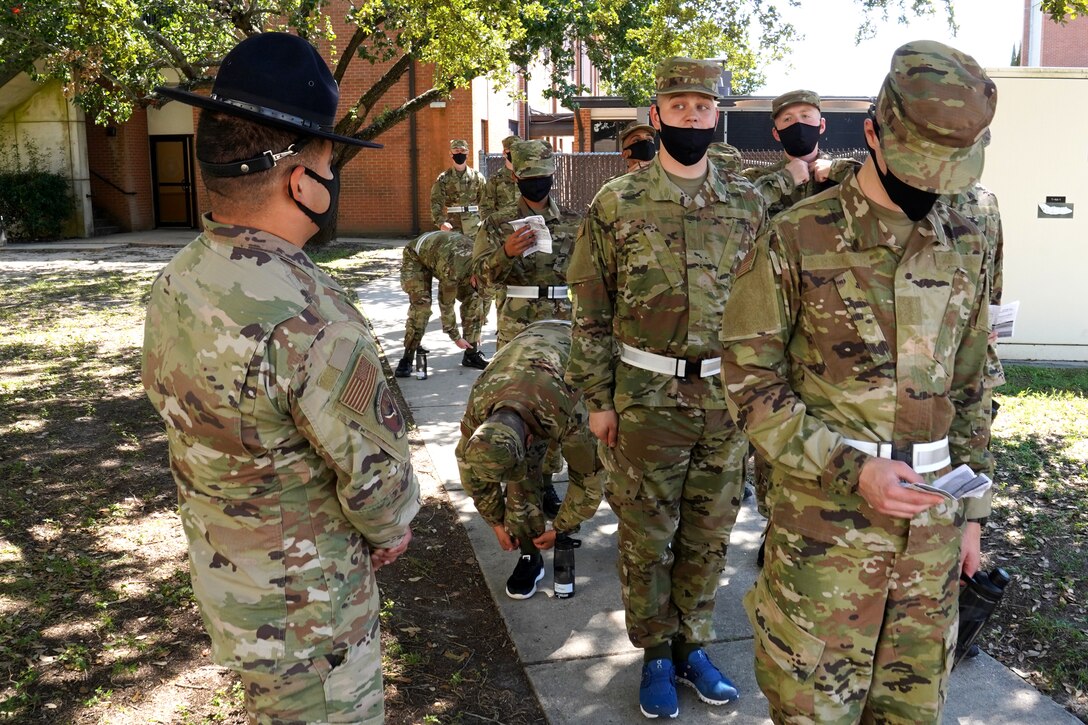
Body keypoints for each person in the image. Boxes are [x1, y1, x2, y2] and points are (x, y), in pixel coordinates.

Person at [142, 33, 419, 724]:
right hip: (313, 626)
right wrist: (391, 528)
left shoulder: (177, 281)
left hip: (234, 596)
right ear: (303, 180)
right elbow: (380, 492)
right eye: (330, 159)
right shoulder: (313, 318)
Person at [719, 40, 997, 724]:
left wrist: (974, 515)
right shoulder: (796, 236)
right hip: (825, 540)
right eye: (916, 163)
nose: (930, 184)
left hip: (933, 537)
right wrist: (854, 469)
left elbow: (973, 383)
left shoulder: (966, 239)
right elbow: (751, 386)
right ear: (871, 131)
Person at [565, 57, 765, 719]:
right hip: (645, 397)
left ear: (717, 117)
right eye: (677, 108)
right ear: (656, 116)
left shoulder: (745, 203)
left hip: (723, 401)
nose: (689, 119)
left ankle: (694, 645)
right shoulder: (616, 202)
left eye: (701, 109)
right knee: (649, 535)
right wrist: (597, 400)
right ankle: (654, 652)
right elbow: (589, 309)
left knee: (709, 534)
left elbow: (769, 309)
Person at [456, 320, 604, 599]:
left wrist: (562, 527)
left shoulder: (567, 412)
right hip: (529, 339)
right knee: (521, 480)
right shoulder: (479, 406)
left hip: (582, 343)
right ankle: (529, 555)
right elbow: (472, 473)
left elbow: (588, 478)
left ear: (527, 439)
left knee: (620, 454)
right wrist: (496, 523)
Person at [473, 138, 581, 519]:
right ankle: (522, 491)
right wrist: (506, 253)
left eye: (544, 175)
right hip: (518, 326)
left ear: (553, 175)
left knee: (560, 406)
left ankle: (547, 478)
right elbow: (479, 282)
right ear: (516, 175)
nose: (538, 182)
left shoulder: (572, 220)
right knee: (521, 410)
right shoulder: (498, 224)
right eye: (529, 176)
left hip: (563, 326)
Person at [741, 90, 860, 220]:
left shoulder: (846, 171)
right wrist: (784, 179)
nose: (797, 124)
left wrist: (836, 170)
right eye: (787, 119)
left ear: (822, 125)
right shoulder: (754, 179)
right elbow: (736, 214)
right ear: (776, 134)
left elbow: (875, 189)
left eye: (805, 116)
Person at [394, 230, 488, 377]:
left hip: (442, 253)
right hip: (417, 256)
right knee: (421, 307)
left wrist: (478, 328)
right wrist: (455, 336)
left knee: (475, 299)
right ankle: (407, 358)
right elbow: (446, 304)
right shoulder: (453, 271)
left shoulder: (486, 264)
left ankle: (471, 354)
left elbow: (484, 299)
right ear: (474, 278)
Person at [430, 139, 486, 235]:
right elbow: (436, 202)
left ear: (467, 153)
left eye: (462, 151)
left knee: (475, 250)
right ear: (451, 153)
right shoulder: (443, 178)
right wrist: (441, 222)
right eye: (456, 151)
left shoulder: (477, 177)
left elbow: (486, 201)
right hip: (452, 225)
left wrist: (486, 222)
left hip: (474, 226)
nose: (459, 153)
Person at [480, 134, 522, 219]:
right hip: (504, 229)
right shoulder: (495, 179)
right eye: (512, 150)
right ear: (504, 153)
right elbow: (485, 208)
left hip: (527, 227)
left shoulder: (530, 177)